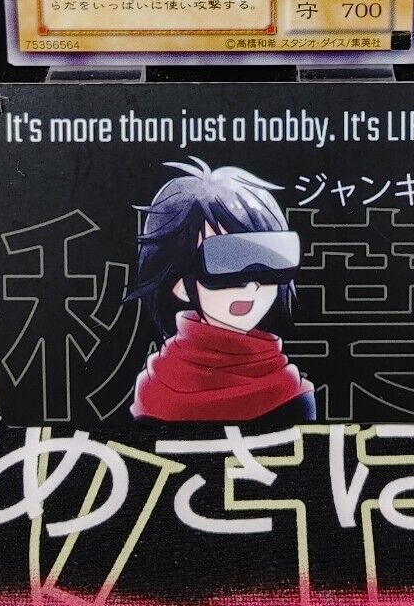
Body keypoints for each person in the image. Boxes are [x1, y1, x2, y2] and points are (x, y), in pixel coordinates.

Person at [127, 158, 316, 423]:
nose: (251, 283)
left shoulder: (291, 392)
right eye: (225, 260)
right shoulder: (156, 390)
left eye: (267, 259)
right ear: (180, 284)